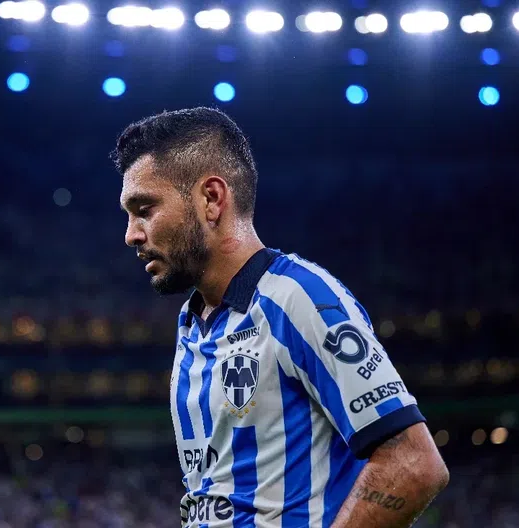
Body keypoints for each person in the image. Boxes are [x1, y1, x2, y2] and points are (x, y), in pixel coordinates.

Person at [112, 107, 449, 527]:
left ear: (211, 199)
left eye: (144, 209)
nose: (131, 234)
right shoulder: (191, 323)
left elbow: (414, 463)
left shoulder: (298, 298)